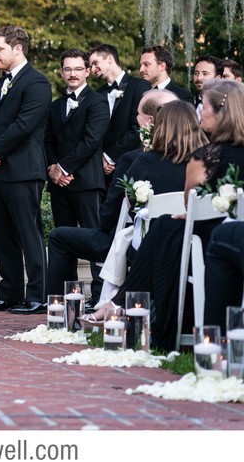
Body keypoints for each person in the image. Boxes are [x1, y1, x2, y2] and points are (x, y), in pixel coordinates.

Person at [91, 80, 244, 349]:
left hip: (209, 244)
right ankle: (121, 304)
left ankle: (122, 304)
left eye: (203, 106)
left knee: (164, 226)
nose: (199, 113)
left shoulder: (207, 157)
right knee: (166, 228)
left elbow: (191, 205)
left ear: (220, 112)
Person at [45, 95, 199, 297]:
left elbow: (108, 216)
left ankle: (59, 306)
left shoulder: (139, 160)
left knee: (58, 237)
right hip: (191, 245)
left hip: (136, 247)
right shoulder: (204, 163)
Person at [0, 25, 51, 315]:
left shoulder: (37, 84)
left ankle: (37, 296)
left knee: (29, 233)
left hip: (24, 171)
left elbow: (24, 125)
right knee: (2, 235)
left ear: (17, 48)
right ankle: (9, 293)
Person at [44, 48, 109, 230]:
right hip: (59, 186)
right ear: (61, 72)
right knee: (63, 243)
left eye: (78, 69)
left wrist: (62, 169)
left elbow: (91, 140)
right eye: (68, 69)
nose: (72, 74)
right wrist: (51, 167)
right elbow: (47, 140)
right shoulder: (55, 106)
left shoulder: (98, 101)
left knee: (94, 241)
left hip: (87, 183)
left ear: (87, 71)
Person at [88, 44, 150, 183]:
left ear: (110, 59)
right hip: (102, 171)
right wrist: (101, 159)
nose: (92, 69)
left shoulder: (139, 86)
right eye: (91, 66)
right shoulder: (97, 94)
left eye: (95, 63)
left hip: (131, 165)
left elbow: (138, 128)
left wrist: (109, 157)